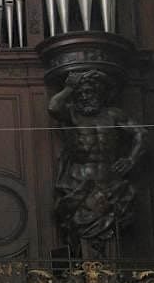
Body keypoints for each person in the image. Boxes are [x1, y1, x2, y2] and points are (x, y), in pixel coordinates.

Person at [49, 69, 146, 257]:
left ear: (99, 93)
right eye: (81, 93)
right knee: (80, 232)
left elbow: (140, 133)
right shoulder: (73, 115)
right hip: (80, 184)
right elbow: (53, 107)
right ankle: (90, 276)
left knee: (111, 230)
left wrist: (131, 159)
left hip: (110, 183)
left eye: (89, 92)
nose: (85, 97)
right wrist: (69, 87)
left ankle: (105, 278)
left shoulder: (113, 115)